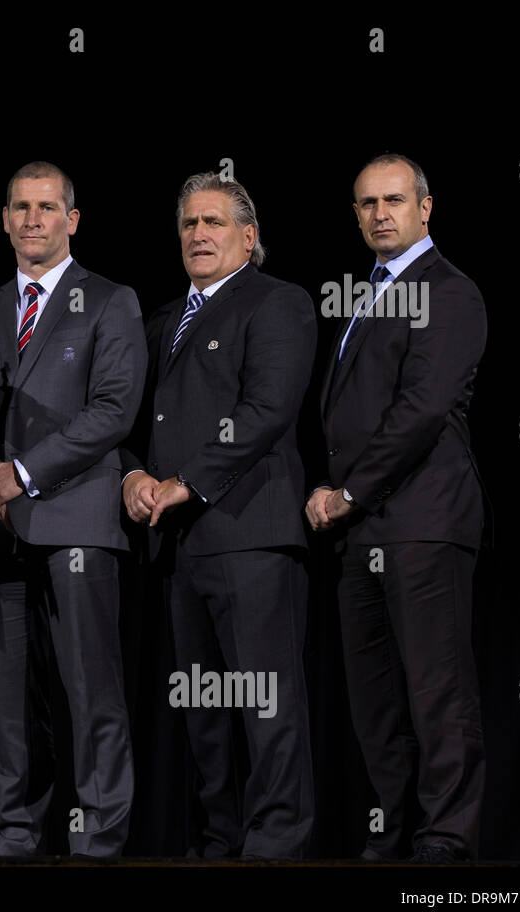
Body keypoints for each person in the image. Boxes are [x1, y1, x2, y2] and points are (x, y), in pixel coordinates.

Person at [0, 161, 144, 857]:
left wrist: (22, 472)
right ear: (4, 219)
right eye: (21, 207)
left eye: (48, 207)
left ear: (72, 220)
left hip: (79, 522)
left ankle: (101, 838)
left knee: (92, 693)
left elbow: (114, 410)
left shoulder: (112, 300)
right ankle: (16, 834)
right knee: (8, 703)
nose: (33, 219)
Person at [121, 173, 317, 859]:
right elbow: (129, 418)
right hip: (179, 548)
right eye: (188, 224)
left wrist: (186, 483)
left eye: (214, 222)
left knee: (266, 703)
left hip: (250, 535)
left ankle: (275, 845)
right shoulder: (160, 320)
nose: (198, 235)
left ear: (249, 236)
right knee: (203, 713)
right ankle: (219, 843)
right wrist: (136, 475)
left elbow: (266, 411)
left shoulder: (278, 303)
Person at [307, 154, 487, 863]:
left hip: (423, 521)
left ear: (426, 208)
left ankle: (445, 845)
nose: (381, 213)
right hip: (365, 533)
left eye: (394, 200)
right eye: (367, 203)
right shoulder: (368, 292)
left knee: (436, 692)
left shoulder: (449, 290)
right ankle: (400, 835)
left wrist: (346, 493)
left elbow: (421, 410)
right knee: (377, 700)